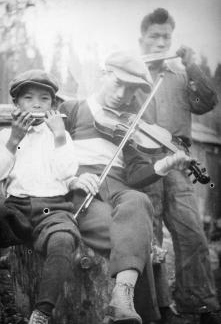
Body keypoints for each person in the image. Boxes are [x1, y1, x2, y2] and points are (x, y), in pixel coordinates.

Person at [59, 51, 196, 324]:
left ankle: (122, 300)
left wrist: (164, 165)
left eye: (132, 89)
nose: (123, 94)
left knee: (138, 199)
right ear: (103, 75)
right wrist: (71, 179)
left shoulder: (130, 127)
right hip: (85, 192)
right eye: (118, 83)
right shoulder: (71, 109)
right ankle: (151, 314)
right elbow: (50, 155)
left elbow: (135, 177)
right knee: (136, 239)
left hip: (120, 190)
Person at [131, 7, 220, 324]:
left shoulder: (182, 74)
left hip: (179, 160)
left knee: (192, 233)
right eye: (154, 36)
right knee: (150, 237)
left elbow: (206, 102)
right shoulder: (132, 73)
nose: (160, 42)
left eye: (165, 37)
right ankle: (159, 309)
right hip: (143, 160)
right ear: (142, 38)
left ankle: (199, 305)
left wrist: (192, 64)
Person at [0, 69, 80, 324]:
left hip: (52, 210)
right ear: (16, 104)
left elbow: (67, 172)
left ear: (53, 105)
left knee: (63, 240)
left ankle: (41, 311)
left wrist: (60, 135)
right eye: (28, 98)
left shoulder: (59, 135)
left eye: (44, 99)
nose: (36, 105)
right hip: (16, 209)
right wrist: (14, 140)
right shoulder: (5, 136)